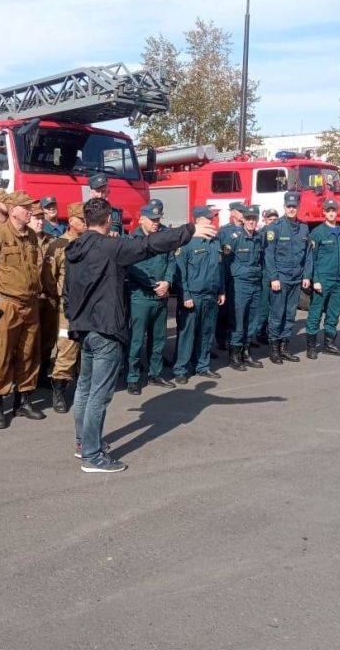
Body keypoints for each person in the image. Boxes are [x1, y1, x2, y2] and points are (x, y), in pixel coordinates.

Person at [64, 198, 212, 473]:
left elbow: (68, 290)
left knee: (85, 389)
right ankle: (92, 456)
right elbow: (148, 245)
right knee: (98, 393)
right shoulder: (110, 246)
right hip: (105, 328)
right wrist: (189, 230)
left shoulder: (74, 247)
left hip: (84, 327)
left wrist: (72, 319)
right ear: (108, 219)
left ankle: (84, 444)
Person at [0, 191, 45, 429]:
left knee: (28, 353)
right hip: (8, 305)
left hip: (30, 304)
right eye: (26, 207)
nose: (30, 211)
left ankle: (23, 400)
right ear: (13, 209)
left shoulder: (32, 238)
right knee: (2, 355)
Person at [125, 202, 176, 395]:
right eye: (153, 220)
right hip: (141, 297)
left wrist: (168, 282)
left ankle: (155, 374)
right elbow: (132, 267)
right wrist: (155, 285)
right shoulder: (133, 240)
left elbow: (171, 261)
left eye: (158, 219)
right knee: (137, 340)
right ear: (142, 219)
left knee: (159, 339)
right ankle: (133, 377)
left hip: (160, 297)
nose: (156, 223)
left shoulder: (164, 236)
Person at [41, 202, 87, 412]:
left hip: (88, 307)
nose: (87, 224)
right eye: (83, 220)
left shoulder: (91, 242)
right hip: (66, 308)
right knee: (67, 347)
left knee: (87, 350)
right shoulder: (58, 245)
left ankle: (83, 389)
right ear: (71, 221)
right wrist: (59, 296)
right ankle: (59, 389)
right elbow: (49, 278)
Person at [172, 206, 225, 385]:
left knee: (206, 332)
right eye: (209, 218)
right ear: (198, 220)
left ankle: (202, 365)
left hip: (211, 295)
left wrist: (221, 290)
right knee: (187, 334)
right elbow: (181, 274)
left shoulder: (215, 240)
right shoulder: (187, 242)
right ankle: (181, 369)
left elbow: (220, 269)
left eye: (213, 218)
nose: (212, 220)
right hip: (193, 296)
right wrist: (185, 296)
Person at [263, 191, 312, 364]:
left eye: (294, 206)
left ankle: (284, 348)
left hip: (296, 279)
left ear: (298, 207)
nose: (292, 209)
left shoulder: (304, 228)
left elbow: (308, 254)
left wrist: (306, 275)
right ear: (284, 207)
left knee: (290, 315)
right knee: (277, 314)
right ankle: (274, 349)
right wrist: (273, 278)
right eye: (289, 206)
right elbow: (269, 255)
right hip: (280, 279)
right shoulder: (275, 227)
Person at [305, 198, 340, 358]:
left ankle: (329, 344)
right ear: (324, 212)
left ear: (337, 212)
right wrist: (316, 280)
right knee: (316, 312)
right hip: (323, 279)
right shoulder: (317, 233)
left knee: (334, 313)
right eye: (329, 210)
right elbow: (311, 259)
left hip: (337, 280)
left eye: (334, 210)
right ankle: (311, 347)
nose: (332, 213)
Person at [223, 204, 264, 370]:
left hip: (255, 283)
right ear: (243, 219)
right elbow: (225, 263)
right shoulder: (234, 237)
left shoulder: (259, 237)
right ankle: (234, 356)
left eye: (254, 219)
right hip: (239, 285)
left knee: (252, 321)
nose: (251, 222)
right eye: (248, 219)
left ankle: (246, 353)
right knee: (238, 321)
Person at [29, 201, 57, 384]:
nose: (40, 222)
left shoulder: (52, 241)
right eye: (36, 219)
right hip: (32, 298)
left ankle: (42, 375)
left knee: (48, 338)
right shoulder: (25, 240)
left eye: (41, 219)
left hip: (50, 297)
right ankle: (28, 376)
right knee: (30, 341)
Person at [215, 201, 246, 350]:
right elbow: (219, 255)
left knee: (238, 310)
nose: (243, 214)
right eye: (240, 211)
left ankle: (237, 337)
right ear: (233, 212)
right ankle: (221, 338)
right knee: (224, 309)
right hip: (227, 275)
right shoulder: (224, 231)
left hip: (241, 277)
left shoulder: (248, 230)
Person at [255, 208, 279, 344]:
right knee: (263, 306)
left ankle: (268, 331)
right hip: (265, 274)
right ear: (264, 220)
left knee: (274, 306)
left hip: (276, 273)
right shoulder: (261, 234)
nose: (273, 222)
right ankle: (258, 332)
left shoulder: (279, 232)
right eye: (270, 219)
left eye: (275, 219)